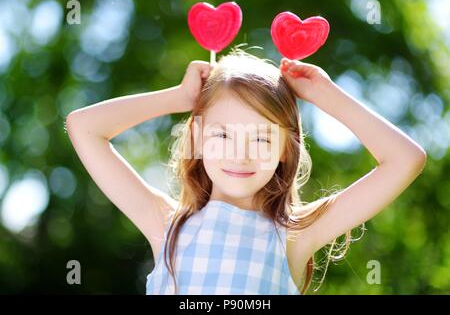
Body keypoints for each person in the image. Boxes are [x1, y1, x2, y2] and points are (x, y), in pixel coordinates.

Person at [66, 46, 426, 295]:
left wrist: (325, 94)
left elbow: (405, 159)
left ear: (287, 149)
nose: (240, 155)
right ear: (196, 138)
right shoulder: (167, 225)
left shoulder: (295, 236)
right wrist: (178, 97)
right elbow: (82, 126)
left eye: (262, 139)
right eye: (222, 134)